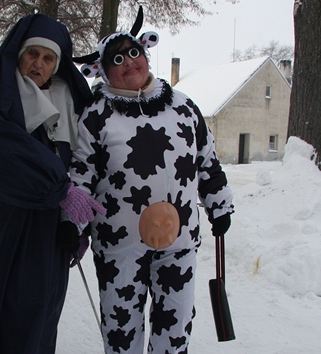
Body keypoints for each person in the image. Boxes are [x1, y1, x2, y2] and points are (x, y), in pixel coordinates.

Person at [70, 8, 234, 353]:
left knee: (174, 326)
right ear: (102, 70)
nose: (129, 62)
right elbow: (81, 176)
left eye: (134, 52)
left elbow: (207, 161)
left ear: (146, 54)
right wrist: (72, 225)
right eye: (117, 59)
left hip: (179, 243)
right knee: (121, 329)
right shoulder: (96, 116)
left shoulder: (183, 107)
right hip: (119, 247)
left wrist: (219, 204)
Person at [0, 13, 103, 354]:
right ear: (18, 54)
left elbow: (85, 166)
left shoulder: (72, 103)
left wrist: (75, 225)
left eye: (48, 58)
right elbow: (2, 154)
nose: (38, 64)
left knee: (35, 315)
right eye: (32, 54)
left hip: (43, 234)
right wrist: (60, 190)